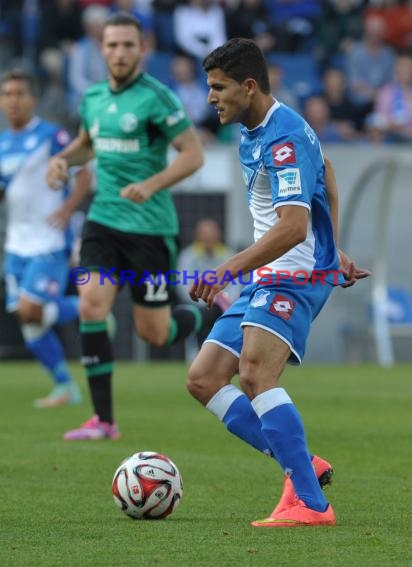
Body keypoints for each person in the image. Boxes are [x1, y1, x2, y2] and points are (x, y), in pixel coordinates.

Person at [186, 38, 370, 527]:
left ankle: (312, 504)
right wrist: (334, 246)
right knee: (204, 379)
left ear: (249, 86)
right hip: (272, 272)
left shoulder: (283, 137)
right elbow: (324, 171)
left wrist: (227, 268)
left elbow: (291, 226)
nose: (211, 97)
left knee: (254, 375)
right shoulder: (254, 129)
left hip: (291, 274)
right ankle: (301, 461)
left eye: (218, 87)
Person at [46, 13, 225, 441]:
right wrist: (61, 161)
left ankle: (209, 315)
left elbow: (193, 154)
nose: (120, 52)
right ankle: (104, 421)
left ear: (142, 49)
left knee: (156, 333)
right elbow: (88, 145)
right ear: (102, 49)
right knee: (92, 304)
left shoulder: (157, 98)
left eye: (129, 45)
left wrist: (151, 184)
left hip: (150, 229)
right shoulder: (91, 98)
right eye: (112, 45)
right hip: (103, 221)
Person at [0, 69, 91, 408]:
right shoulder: (3, 143)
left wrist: (67, 209)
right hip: (16, 243)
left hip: (49, 239)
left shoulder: (52, 135)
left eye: (19, 94)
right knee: (28, 321)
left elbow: (84, 174)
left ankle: (90, 309)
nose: (13, 100)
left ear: (32, 99)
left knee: (30, 309)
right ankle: (65, 386)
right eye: (7, 94)